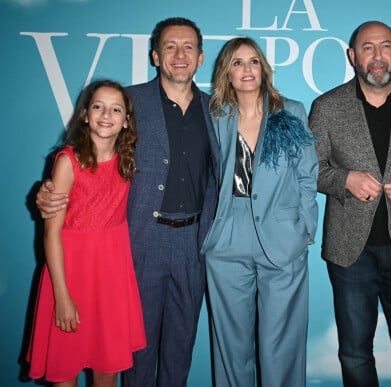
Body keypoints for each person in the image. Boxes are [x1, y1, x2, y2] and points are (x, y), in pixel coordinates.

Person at [35, 17, 220, 387]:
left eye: (188, 48)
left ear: (201, 58)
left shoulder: (219, 109)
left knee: (181, 347)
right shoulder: (128, 103)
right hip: (139, 242)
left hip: (195, 243)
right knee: (135, 350)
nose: (179, 55)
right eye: (170, 47)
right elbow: (90, 157)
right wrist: (50, 192)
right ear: (155, 55)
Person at [309, 21, 391, 387]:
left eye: (386, 46)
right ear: (353, 56)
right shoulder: (327, 106)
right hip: (352, 254)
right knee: (355, 356)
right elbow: (312, 171)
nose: (378, 56)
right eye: (368, 48)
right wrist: (345, 179)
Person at [201, 37, 318, 387]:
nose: (246, 69)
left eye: (253, 61)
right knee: (230, 346)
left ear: (263, 69)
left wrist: (305, 230)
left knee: (280, 344)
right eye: (237, 63)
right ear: (227, 73)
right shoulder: (213, 115)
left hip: (282, 236)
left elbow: (307, 174)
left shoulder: (291, 110)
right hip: (226, 237)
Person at [27, 80, 145, 386]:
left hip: (112, 277)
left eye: (116, 109)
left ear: (126, 120)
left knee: (107, 369)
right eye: (98, 106)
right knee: (65, 368)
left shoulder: (127, 159)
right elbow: (51, 234)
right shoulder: (68, 161)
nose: (106, 114)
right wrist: (62, 297)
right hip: (71, 275)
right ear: (85, 115)